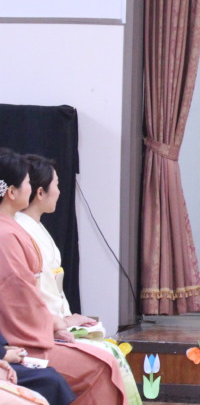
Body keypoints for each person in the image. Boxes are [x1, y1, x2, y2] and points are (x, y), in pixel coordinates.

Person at [0, 150, 127, 405]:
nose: (58, 191)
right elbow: (20, 300)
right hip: (21, 337)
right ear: (12, 192)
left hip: (34, 327)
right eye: (27, 182)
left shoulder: (13, 228)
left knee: (105, 357)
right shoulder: (6, 235)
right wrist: (56, 323)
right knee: (101, 366)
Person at [0, 333, 75, 405]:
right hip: (27, 344)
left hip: (11, 352)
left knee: (50, 378)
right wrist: (4, 354)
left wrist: (4, 348)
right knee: (49, 379)